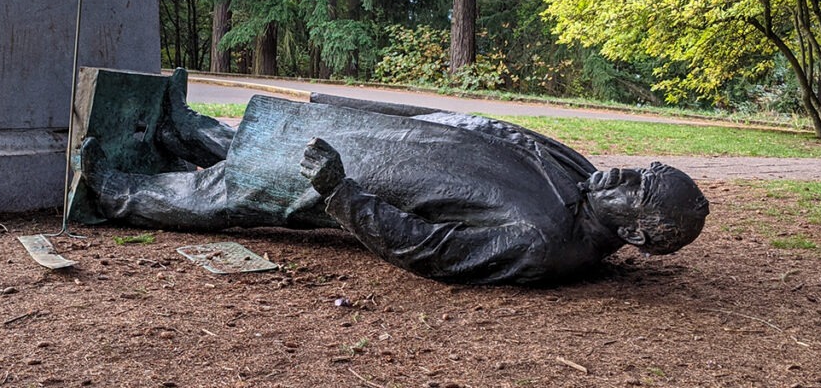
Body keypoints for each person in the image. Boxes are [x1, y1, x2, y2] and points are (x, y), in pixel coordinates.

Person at [76, 69, 709, 285]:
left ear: (641, 236)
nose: (622, 170)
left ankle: (122, 197)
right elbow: (496, 135)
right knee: (279, 137)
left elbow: (428, 249)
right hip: (395, 139)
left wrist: (339, 193)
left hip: (367, 180)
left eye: (638, 186)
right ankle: (187, 135)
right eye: (639, 169)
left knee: (241, 191)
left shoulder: (542, 243)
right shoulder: (589, 183)